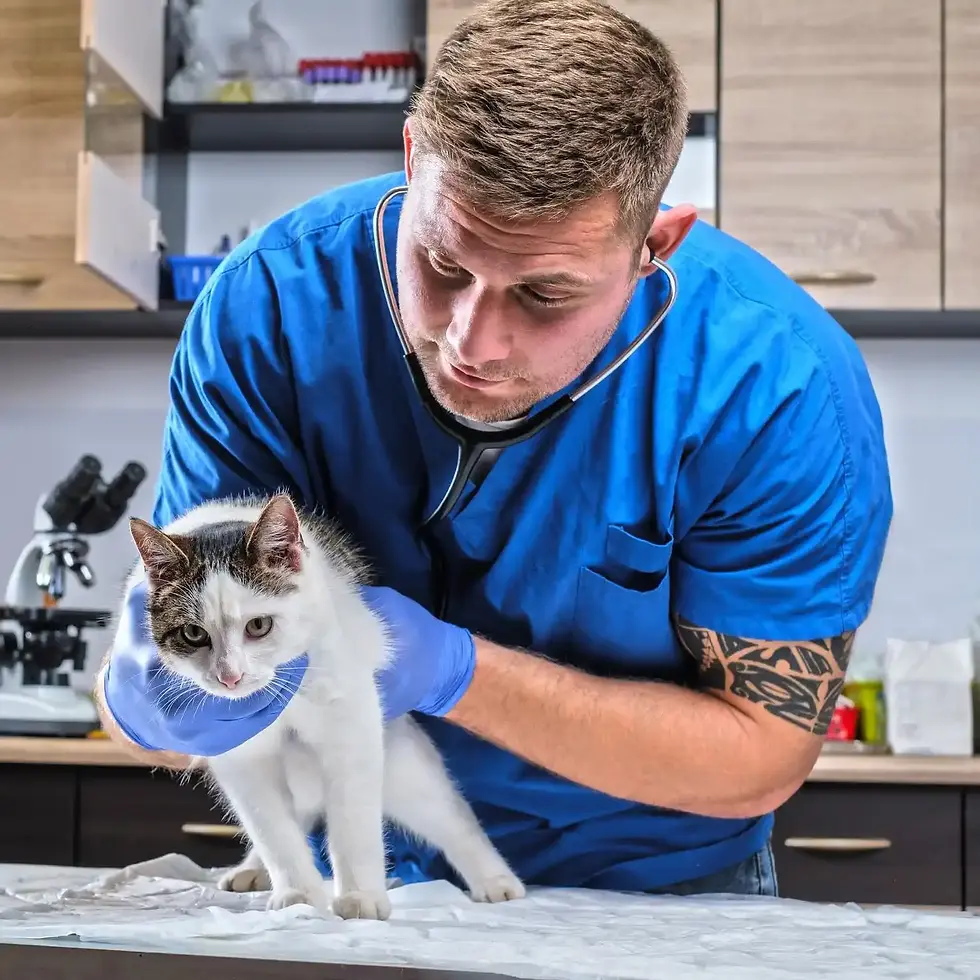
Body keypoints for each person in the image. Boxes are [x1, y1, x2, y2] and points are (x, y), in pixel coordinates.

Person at [97, 0, 892, 898]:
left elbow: (759, 756)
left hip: (645, 888)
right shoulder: (268, 312)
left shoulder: (776, 386)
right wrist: (149, 697)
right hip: (350, 867)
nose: (473, 342)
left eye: (546, 294)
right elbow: (174, 684)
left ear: (652, 247)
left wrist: (453, 671)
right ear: (409, 162)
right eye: (443, 264)